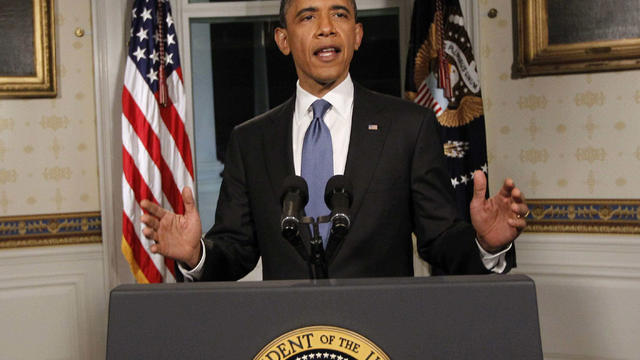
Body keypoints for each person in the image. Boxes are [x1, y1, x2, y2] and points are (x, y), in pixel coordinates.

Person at [140, 0, 529, 281]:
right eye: (308, 16)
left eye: (339, 14)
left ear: (356, 35)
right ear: (283, 39)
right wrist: (196, 255)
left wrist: (485, 244)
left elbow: (439, 239)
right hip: (287, 337)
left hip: (381, 336)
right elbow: (236, 249)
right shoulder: (250, 141)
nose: (326, 27)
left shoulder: (409, 126)